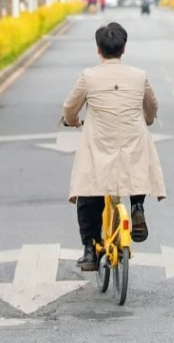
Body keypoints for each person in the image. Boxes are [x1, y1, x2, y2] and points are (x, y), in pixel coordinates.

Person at [61, 21, 165, 272]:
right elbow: (152, 106)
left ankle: (89, 249)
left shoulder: (88, 77)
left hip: (100, 143)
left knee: (88, 189)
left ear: (98, 49)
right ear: (124, 48)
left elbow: (69, 108)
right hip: (132, 140)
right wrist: (148, 120)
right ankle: (137, 206)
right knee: (136, 165)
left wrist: (72, 121)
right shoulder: (139, 76)